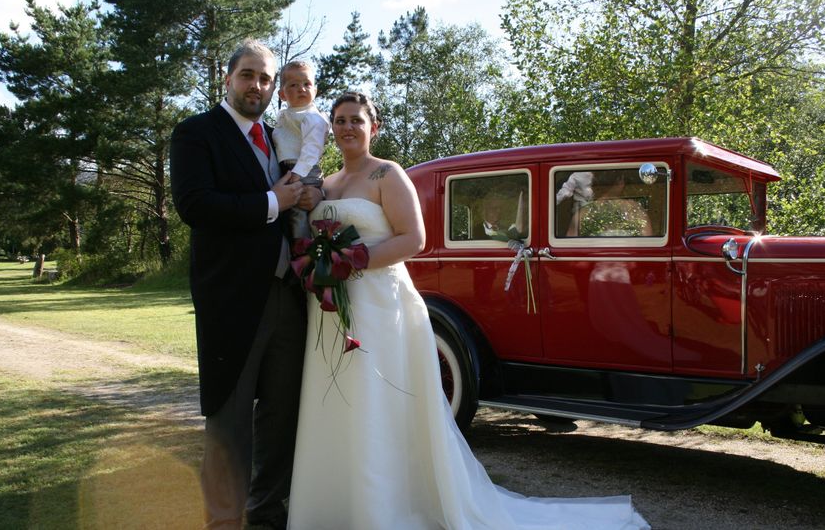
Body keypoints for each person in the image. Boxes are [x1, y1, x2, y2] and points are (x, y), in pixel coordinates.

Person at [287, 92, 650, 529]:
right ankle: (340, 505)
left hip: (380, 303)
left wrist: (352, 261)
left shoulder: (388, 174)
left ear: (373, 128)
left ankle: (384, 508)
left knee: (377, 400)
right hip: (332, 307)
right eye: (340, 120)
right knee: (338, 398)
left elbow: (413, 240)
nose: (348, 128)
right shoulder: (325, 184)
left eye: (356, 121)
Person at [169, 38, 321, 530]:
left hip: (288, 297)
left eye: (265, 78)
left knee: (282, 420)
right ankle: (222, 521)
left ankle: (266, 516)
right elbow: (196, 205)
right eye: (248, 74)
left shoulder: (275, 138)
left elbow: (293, 194)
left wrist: (305, 200)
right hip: (232, 301)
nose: (257, 84)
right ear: (228, 79)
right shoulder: (197, 133)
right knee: (229, 424)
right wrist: (273, 202)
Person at [271, 60, 329, 239]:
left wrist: (297, 174)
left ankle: (303, 248)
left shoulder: (312, 118)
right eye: (294, 85)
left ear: (315, 90)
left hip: (304, 169)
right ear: (282, 94)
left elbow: (313, 150)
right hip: (288, 169)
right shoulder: (286, 116)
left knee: (298, 211)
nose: (301, 89)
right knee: (288, 211)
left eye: (306, 84)